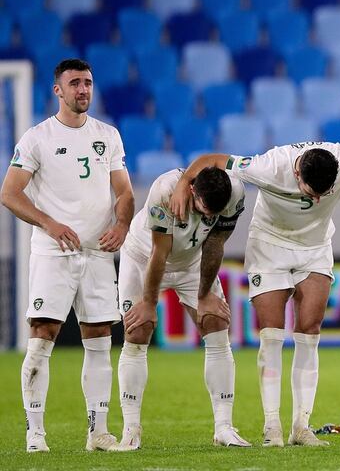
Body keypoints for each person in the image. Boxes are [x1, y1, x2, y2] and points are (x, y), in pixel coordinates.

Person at [169, 138, 340, 447]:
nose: (317, 200)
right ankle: (272, 427)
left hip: (315, 248)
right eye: (311, 193)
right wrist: (183, 183)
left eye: (324, 194)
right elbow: (211, 158)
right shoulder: (267, 167)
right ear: (297, 176)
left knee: (310, 331)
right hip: (270, 246)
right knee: (272, 334)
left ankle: (301, 427)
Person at [1, 58, 134, 453]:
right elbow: (9, 193)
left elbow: (124, 193)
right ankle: (35, 434)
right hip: (53, 253)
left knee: (98, 339)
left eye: (88, 83)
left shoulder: (107, 135)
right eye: (75, 83)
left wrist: (122, 225)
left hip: (96, 254)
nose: (83, 90)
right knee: (43, 336)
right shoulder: (37, 138)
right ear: (57, 90)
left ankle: (98, 432)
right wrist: (49, 223)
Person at [114, 166, 250, 450]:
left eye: (216, 213)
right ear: (191, 191)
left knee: (215, 323)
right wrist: (150, 304)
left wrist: (204, 296)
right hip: (143, 257)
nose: (210, 217)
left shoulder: (235, 194)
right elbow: (158, 253)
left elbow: (215, 244)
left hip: (191, 262)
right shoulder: (164, 192)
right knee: (138, 331)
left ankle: (224, 427)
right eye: (204, 210)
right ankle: (131, 430)